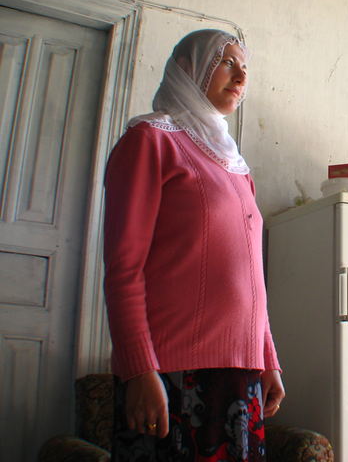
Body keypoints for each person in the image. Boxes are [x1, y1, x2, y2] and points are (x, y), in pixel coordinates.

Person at [103, 29, 284, 461]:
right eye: (227, 62)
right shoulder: (151, 141)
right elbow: (124, 267)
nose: (241, 76)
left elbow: (250, 278)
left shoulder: (237, 168)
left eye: (246, 67)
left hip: (240, 373)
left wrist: (268, 358)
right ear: (189, 68)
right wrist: (139, 369)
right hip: (174, 372)